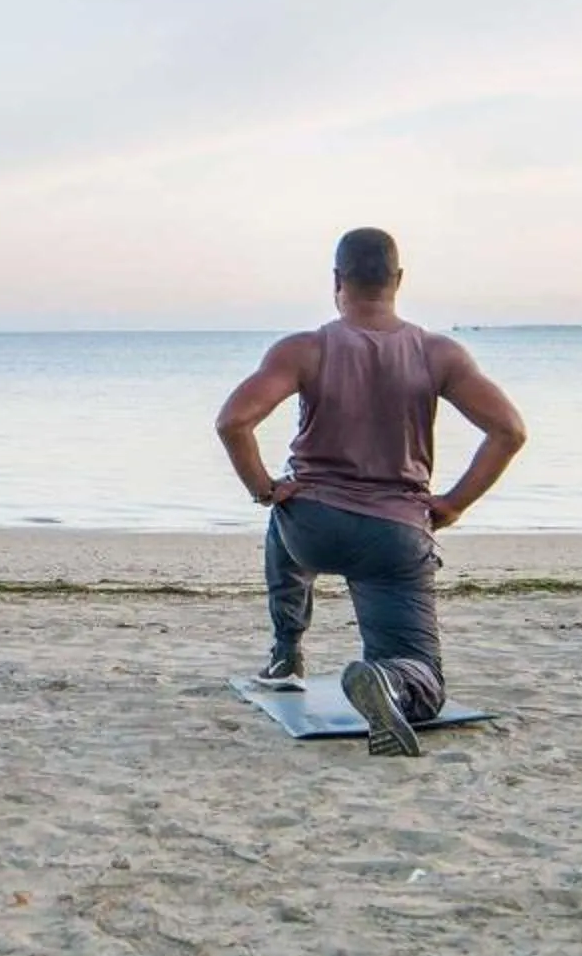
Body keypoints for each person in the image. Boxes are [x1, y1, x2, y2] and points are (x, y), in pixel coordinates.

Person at [212, 228, 528, 758]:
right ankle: (391, 681)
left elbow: (233, 421)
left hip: (313, 529)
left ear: (337, 281)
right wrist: (452, 504)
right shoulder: (438, 353)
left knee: (285, 507)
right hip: (394, 534)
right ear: (398, 280)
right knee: (423, 676)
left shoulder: (304, 349)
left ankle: (286, 653)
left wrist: (264, 489)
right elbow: (509, 432)